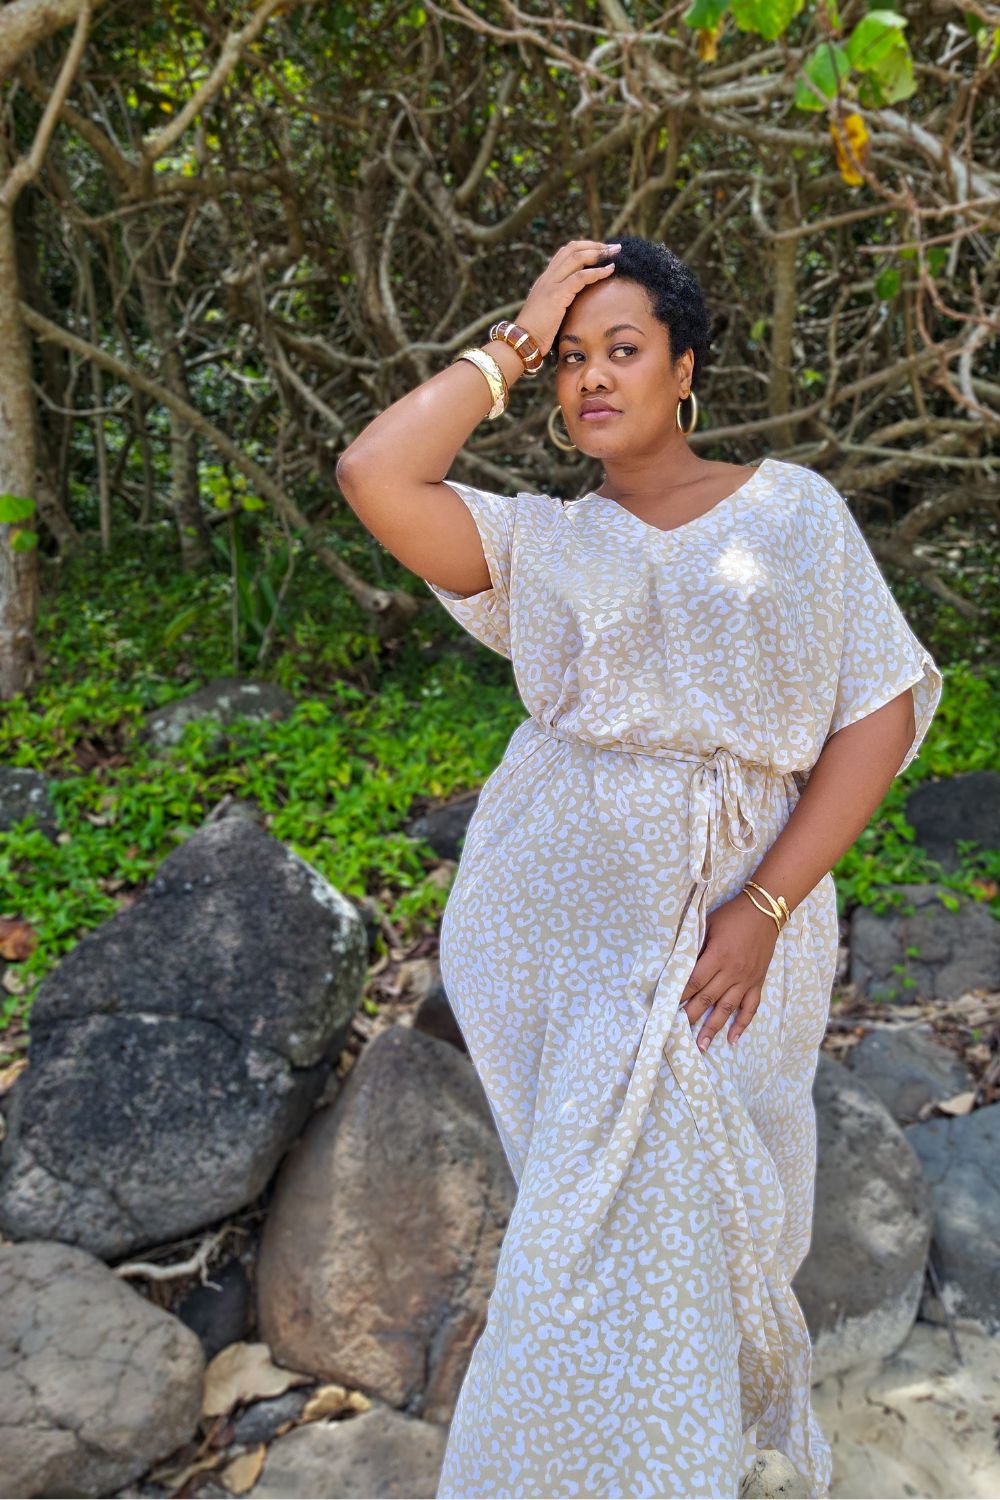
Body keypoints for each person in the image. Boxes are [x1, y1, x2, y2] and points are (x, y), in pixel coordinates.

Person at [335, 236, 943, 1500]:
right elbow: (374, 470)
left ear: (684, 371)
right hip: (549, 934)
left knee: (666, 1234)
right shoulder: (542, 545)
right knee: (588, 1239)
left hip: (735, 927)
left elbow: (877, 713)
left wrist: (765, 906)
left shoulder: (792, 511)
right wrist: (510, 342)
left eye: (623, 349)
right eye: (570, 361)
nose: (591, 378)